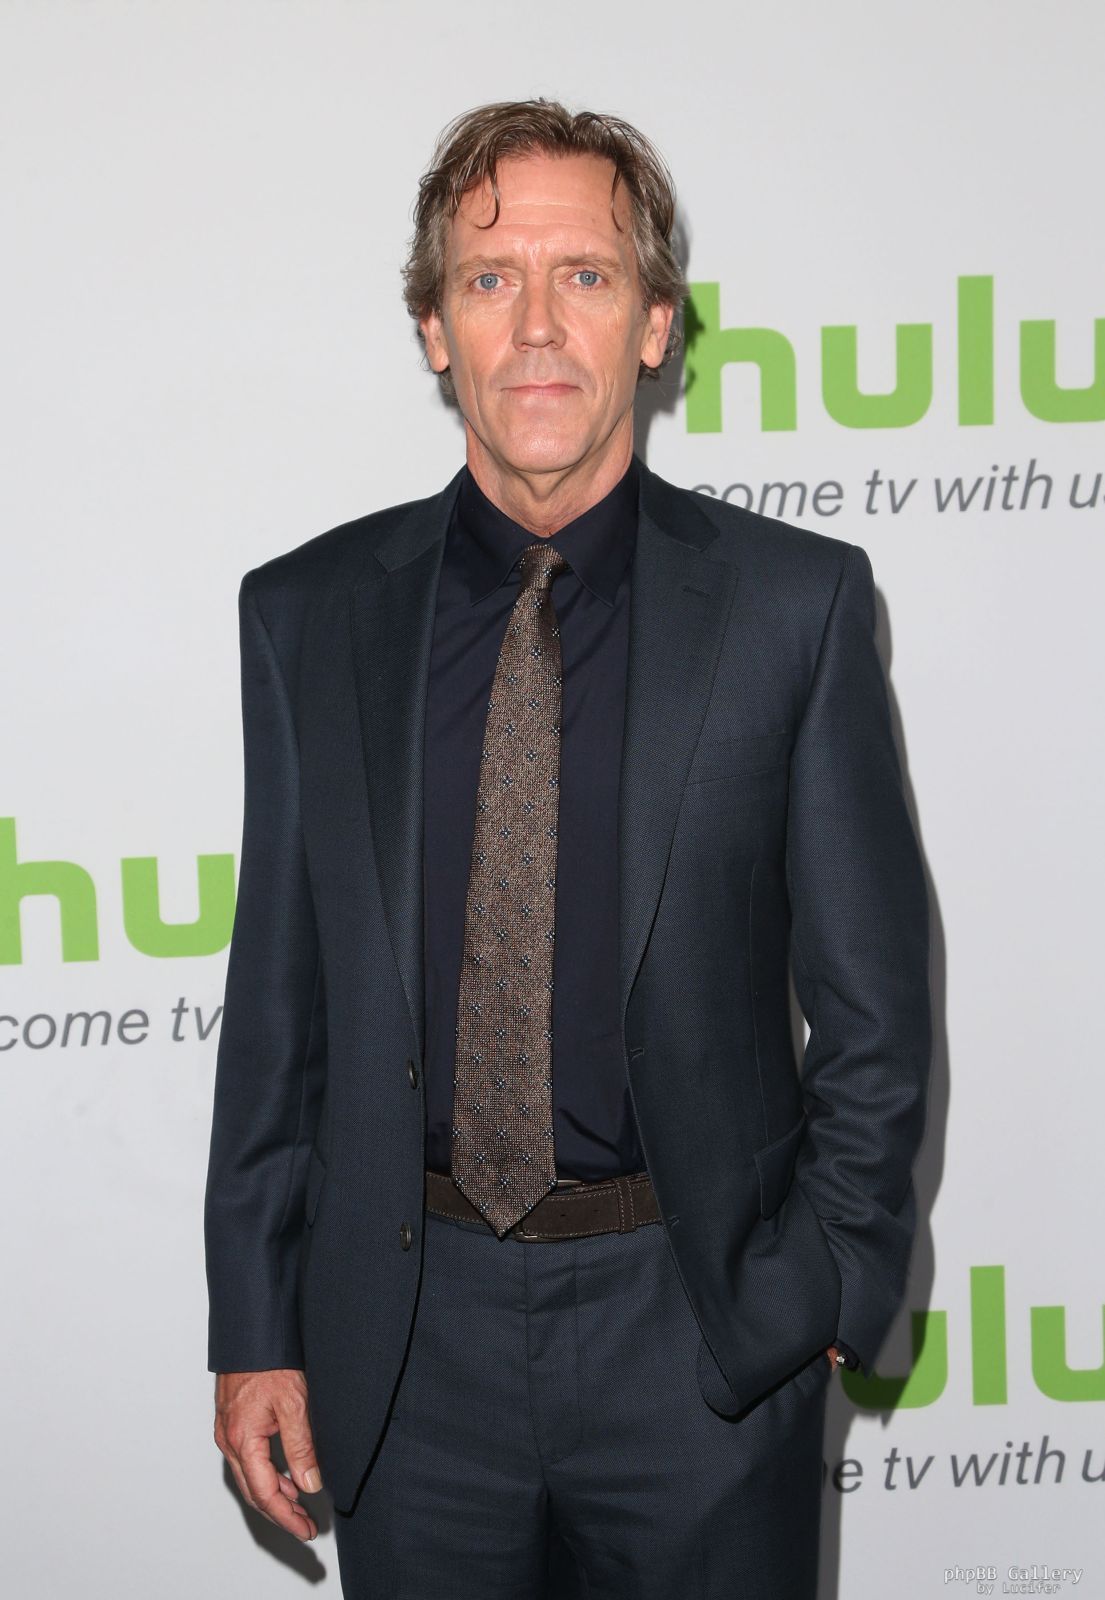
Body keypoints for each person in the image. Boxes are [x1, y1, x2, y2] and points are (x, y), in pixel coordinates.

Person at [204, 98, 932, 1598]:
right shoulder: (307, 618)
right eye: (490, 279)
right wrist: (257, 1326)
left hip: (698, 1339)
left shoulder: (793, 609)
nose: (536, 325)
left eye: (585, 275)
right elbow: (279, 1006)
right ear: (434, 330)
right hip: (409, 1348)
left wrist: (826, 1280)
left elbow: (874, 1001)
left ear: (655, 325)